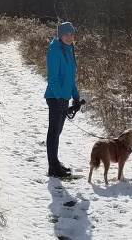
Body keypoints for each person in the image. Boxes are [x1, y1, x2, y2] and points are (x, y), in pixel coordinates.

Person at [44, 22, 82, 178]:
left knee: (57, 132)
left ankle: (55, 162)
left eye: (71, 34)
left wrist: (76, 96)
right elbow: (52, 80)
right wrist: (60, 97)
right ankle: (52, 167)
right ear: (60, 35)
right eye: (66, 34)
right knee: (53, 131)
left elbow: (69, 79)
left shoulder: (68, 49)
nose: (69, 37)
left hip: (63, 97)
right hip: (55, 97)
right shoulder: (54, 51)